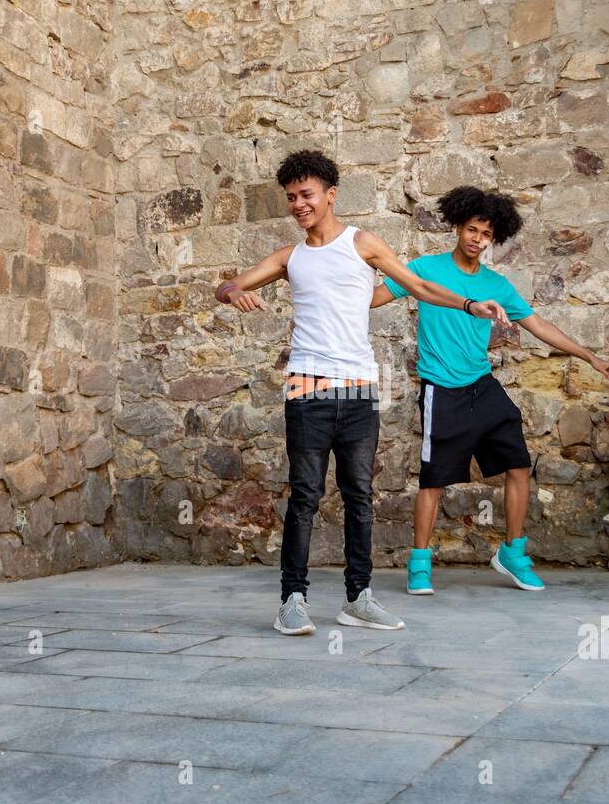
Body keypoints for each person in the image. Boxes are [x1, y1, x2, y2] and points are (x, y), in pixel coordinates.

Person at [217, 152, 511, 635]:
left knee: (359, 496)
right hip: (307, 392)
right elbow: (225, 285)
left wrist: (469, 304)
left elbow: (417, 284)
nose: (298, 204)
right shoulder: (290, 258)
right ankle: (292, 599)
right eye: (291, 198)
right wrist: (233, 294)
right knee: (306, 496)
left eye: (306, 195)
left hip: (357, 392)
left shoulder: (363, 244)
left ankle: (359, 598)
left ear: (331, 195)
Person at [369, 185, 609, 595]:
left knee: (519, 465)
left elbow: (539, 326)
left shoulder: (498, 285)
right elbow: (374, 297)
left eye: (486, 235)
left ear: (495, 238)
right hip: (443, 390)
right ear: (458, 226)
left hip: (482, 387)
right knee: (433, 480)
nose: (477, 240)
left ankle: (513, 552)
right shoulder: (425, 269)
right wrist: (338, 280)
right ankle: (419, 564)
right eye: (472, 230)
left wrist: (589, 356)